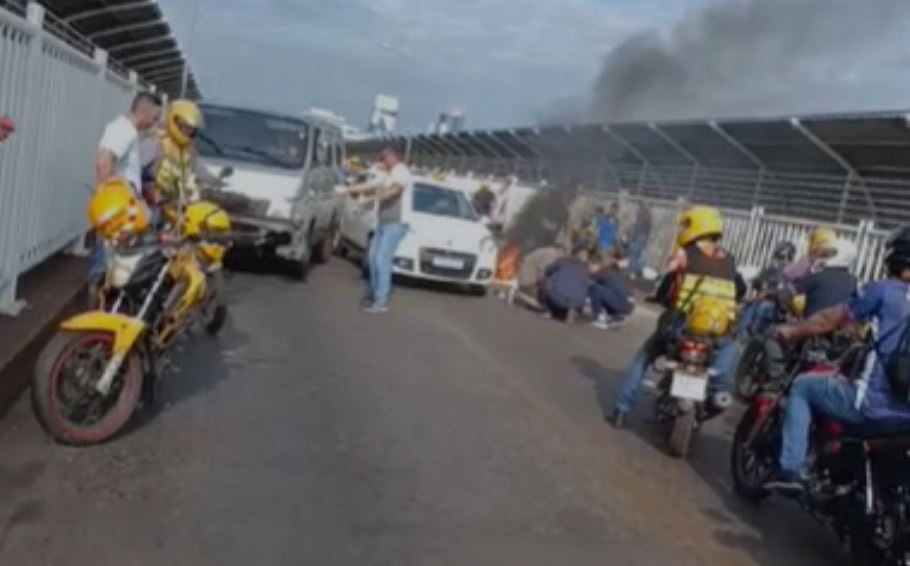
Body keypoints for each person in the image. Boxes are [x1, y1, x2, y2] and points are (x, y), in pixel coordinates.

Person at [766, 226, 910, 492]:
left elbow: (830, 319)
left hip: (870, 406)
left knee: (804, 386)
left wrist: (792, 332)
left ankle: (790, 470)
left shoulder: (884, 291)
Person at [611, 206, 743, 428]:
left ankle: (621, 410)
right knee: (729, 349)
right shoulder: (729, 260)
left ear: (694, 226)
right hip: (716, 332)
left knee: (643, 357)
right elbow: (741, 290)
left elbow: (666, 283)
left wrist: (660, 296)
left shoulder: (684, 255)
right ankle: (718, 393)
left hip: (682, 327)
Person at [91, 92, 162, 289]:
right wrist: (110, 207)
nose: (155, 123)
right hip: (117, 216)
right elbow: (104, 162)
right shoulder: (124, 130)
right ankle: (97, 313)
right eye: (155, 117)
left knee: (114, 268)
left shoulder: (127, 131)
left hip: (123, 214)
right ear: (144, 112)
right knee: (105, 269)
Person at [347, 148, 412, 313]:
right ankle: (375, 295)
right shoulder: (388, 174)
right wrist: (347, 189)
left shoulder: (401, 172)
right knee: (373, 258)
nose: (381, 162)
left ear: (392, 158)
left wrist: (370, 198)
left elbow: (394, 192)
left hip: (396, 223)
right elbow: (369, 185)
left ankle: (381, 301)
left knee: (382, 260)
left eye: (383, 159)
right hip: (383, 222)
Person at [737, 240, 797, 337]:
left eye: (788, 257)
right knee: (749, 306)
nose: (784, 260)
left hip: (782, 308)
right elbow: (757, 281)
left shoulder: (795, 273)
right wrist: (757, 284)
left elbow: (791, 292)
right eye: (780, 256)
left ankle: (754, 336)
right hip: (764, 302)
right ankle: (744, 337)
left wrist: (769, 293)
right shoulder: (769, 271)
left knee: (762, 308)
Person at [541, 244, 590, 322]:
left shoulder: (562, 260)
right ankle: (572, 310)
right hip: (578, 301)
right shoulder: (585, 268)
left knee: (548, 278)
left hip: (558, 298)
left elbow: (547, 270)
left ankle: (548, 311)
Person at [589, 254, 634, 329]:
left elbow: (588, 283)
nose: (589, 268)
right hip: (628, 305)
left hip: (622, 303)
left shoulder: (601, 272)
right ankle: (617, 317)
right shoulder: (615, 271)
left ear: (596, 265)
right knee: (603, 290)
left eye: (590, 266)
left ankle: (600, 318)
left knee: (595, 288)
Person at [514, 244, 565, 311]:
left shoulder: (547, 251)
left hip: (526, 276)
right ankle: (519, 295)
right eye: (564, 255)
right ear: (560, 250)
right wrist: (546, 288)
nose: (562, 258)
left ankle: (522, 296)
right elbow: (541, 272)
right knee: (541, 304)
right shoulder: (551, 253)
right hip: (528, 279)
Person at [627, 200, 652, 277]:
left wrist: (633, 236)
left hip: (639, 236)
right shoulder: (648, 215)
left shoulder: (642, 214)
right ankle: (635, 271)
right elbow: (648, 228)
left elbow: (638, 227)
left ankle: (632, 271)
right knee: (637, 255)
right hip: (643, 237)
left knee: (634, 254)